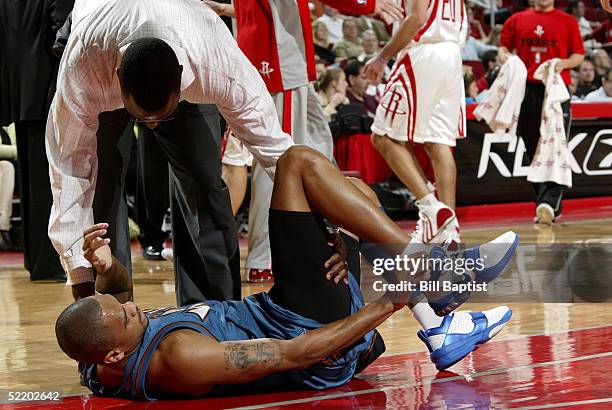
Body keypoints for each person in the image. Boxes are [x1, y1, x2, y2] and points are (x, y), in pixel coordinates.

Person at [56, 145, 517, 400]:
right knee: (296, 165)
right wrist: (387, 303)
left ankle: (436, 322)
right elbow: (295, 354)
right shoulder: (178, 358)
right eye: (129, 314)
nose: (135, 306)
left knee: (351, 193)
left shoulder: (97, 355)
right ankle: (433, 275)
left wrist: (108, 268)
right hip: (311, 333)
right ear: (116, 354)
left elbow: (111, 304)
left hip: (289, 308)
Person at [46, 0, 295, 304]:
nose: (151, 128)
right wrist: (83, 286)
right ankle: (113, 310)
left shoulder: (216, 62)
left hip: (187, 34)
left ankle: (215, 310)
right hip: (99, 33)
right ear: (119, 85)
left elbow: (275, 149)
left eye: (161, 116)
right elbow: (70, 170)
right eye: (141, 117)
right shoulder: (85, 66)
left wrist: (321, 228)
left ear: (180, 84)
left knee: (203, 185)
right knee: (102, 187)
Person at [209, 0, 402, 283]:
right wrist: (367, 4)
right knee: (278, 161)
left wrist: (229, 11)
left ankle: (330, 239)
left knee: (320, 154)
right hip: (277, 61)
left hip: (282, 60)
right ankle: (264, 258)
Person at [365, 0, 467, 244]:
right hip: (451, 56)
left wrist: (382, 57)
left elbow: (417, 18)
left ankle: (431, 208)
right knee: (438, 144)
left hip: (422, 53)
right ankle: (449, 230)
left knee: (383, 137)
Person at [0, 0, 72, 280]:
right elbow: (62, 36)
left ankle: (38, 262)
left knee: (33, 182)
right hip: (47, 90)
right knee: (48, 183)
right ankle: (49, 264)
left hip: (19, 91)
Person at [498, 0, 584, 224]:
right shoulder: (516, 20)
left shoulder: (568, 21)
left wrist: (562, 64)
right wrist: (504, 56)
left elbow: (579, 55)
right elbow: (504, 48)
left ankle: (549, 202)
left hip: (555, 89)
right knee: (532, 146)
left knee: (555, 144)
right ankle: (545, 205)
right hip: (526, 89)